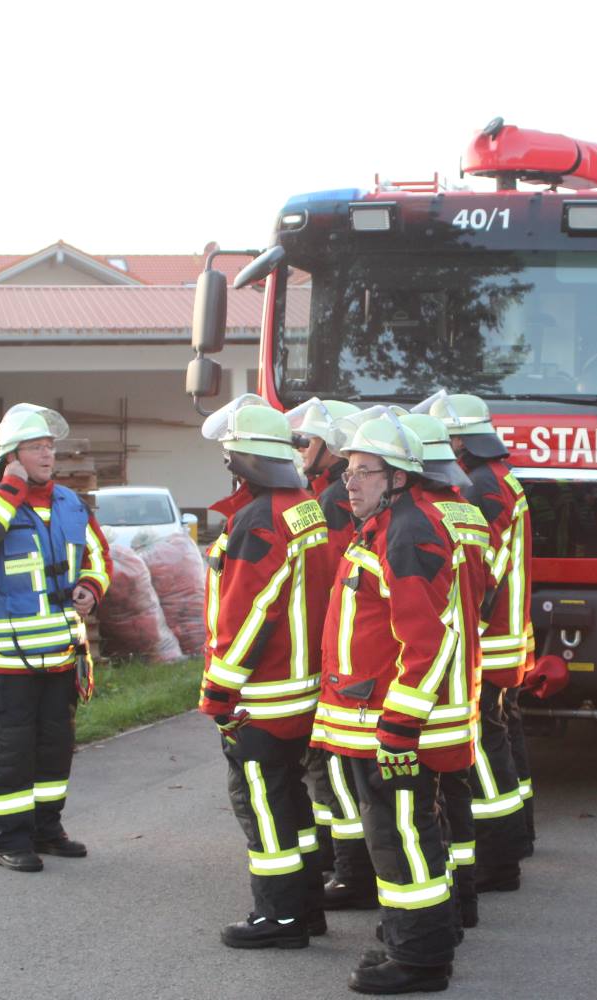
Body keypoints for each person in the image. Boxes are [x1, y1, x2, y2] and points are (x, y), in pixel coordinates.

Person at [313, 411, 472, 995]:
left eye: (362, 472)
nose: (347, 482)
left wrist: (401, 726)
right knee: (403, 835)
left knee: (401, 837)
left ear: (398, 477)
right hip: (370, 718)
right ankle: (416, 940)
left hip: (390, 725)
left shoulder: (408, 533)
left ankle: (420, 960)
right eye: (347, 470)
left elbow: (427, 642)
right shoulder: (387, 527)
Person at [198, 394, 336, 950]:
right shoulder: (305, 505)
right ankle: (305, 907)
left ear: (240, 460)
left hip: (263, 695)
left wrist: (219, 689)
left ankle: (279, 918)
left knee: (262, 803)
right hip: (303, 689)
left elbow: (250, 610)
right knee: (292, 800)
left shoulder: (260, 518)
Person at [0, 403, 112, 873]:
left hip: (62, 655)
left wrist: (90, 586)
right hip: (7, 661)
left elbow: (98, 555)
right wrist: (12, 487)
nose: (48, 454)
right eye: (37, 447)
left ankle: (47, 828)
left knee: (54, 746)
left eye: (50, 446)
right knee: (10, 751)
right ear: (12, 455)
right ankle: (9, 838)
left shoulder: (70, 503)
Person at [423, 391, 535, 888]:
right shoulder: (500, 478)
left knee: (485, 745)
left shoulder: (484, 488)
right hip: (505, 636)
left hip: (486, 640)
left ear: (459, 441)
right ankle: (517, 836)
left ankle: (497, 857)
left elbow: (479, 572)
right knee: (503, 735)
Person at [398, 410, 489, 932]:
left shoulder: (422, 522)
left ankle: (445, 916)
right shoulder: (466, 513)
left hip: (430, 688)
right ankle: (463, 902)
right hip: (461, 681)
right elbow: (488, 587)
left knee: (426, 808)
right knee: (454, 797)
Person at [286, 398, 375, 906]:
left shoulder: (333, 501)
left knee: (332, 770)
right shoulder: (332, 493)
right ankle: (337, 860)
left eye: (307, 440)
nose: (301, 449)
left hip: (338, 659)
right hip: (340, 654)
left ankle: (349, 871)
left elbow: (325, 584)